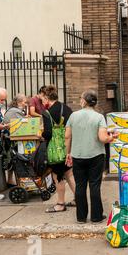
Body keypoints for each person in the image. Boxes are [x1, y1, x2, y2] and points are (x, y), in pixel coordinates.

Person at [65, 90, 118, 223]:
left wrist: (68, 153)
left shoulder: (73, 116)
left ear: (84, 101)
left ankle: (81, 217)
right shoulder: (99, 117)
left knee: (80, 185)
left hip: (78, 155)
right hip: (96, 155)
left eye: (80, 98)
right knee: (94, 185)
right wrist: (111, 137)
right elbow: (102, 138)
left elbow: (67, 136)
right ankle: (96, 216)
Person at [42, 85, 76, 213]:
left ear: (46, 97)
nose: (42, 101)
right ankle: (79, 199)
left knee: (58, 176)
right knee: (69, 174)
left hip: (55, 149)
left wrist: (40, 135)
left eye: (42, 98)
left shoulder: (48, 113)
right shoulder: (66, 108)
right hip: (68, 146)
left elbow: (48, 133)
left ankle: (60, 204)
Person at [3, 94, 29, 187]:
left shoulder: (11, 110)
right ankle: (19, 181)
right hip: (12, 139)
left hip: (8, 138)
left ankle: (10, 181)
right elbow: (24, 125)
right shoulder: (16, 111)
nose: (26, 104)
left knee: (12, 160)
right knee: (16, 160)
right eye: (25, 102)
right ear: (19, 102)